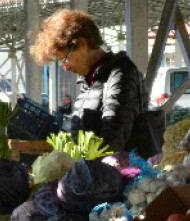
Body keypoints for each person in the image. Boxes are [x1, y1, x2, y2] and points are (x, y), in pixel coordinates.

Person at [30, 8, 163, 157]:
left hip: (120, 175)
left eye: (65, 59)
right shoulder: (90, 81)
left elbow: (113, 138)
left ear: (82, 43)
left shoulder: (121, 74)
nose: (66, 68)